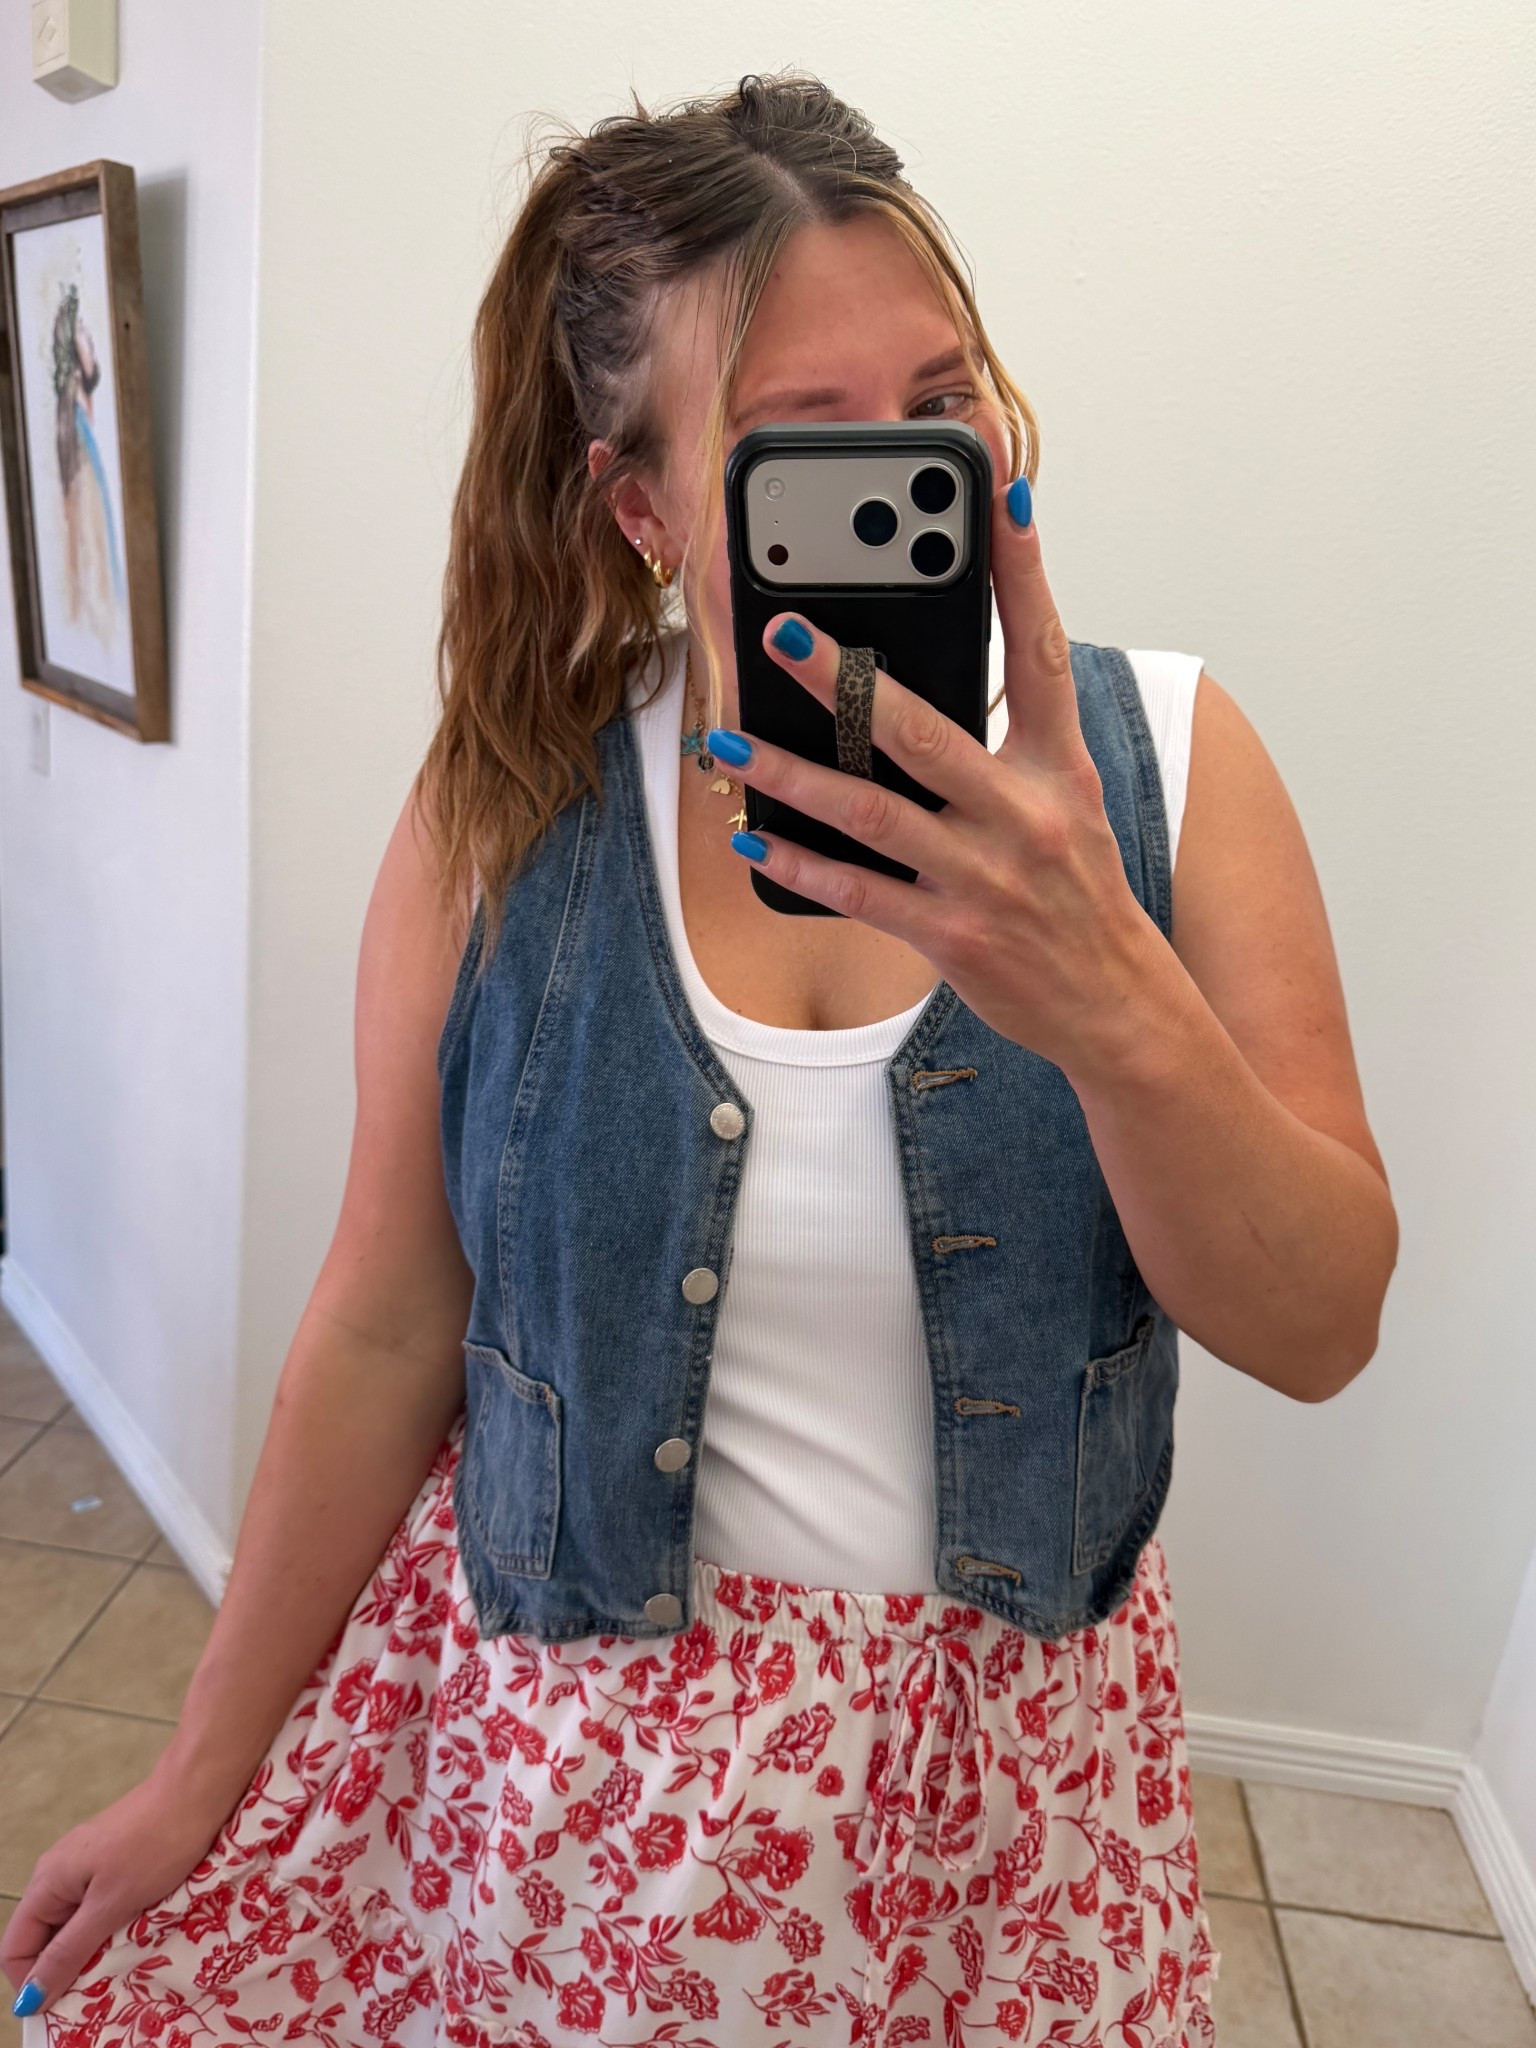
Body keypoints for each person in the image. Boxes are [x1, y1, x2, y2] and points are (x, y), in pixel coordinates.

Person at [3, 70, 1397, 2048]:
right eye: (804, 443)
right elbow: (385, 1325)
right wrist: (188, 1777)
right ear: (646, 504)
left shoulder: (1172, 764)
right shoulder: (503, 804)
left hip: (1003, 1825)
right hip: (572, 1816)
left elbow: (1323, 1322)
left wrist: (1109, 995)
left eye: (943, 400)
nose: (906, 475)